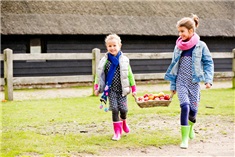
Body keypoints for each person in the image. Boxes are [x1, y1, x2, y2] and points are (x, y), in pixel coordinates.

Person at [164, 14, 214, 149]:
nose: (180, 34)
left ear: (191, 31)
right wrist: (172, 85)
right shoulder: (178, 46)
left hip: (194, 83)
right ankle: (184, 138)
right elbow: (174, 67)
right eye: (179, 31)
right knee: (184, 107)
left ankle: (191, 127)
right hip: (181, 82)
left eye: (182, 31)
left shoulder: (201, 46)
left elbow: (208, 63)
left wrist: (208, 80)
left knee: (193, 111)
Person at [94, 34, 137, 141]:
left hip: (122, 89)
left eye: (114, 45)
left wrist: (133, 88)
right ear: (107, 47)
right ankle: (117, 132)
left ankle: (124, 122)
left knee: (124, 109)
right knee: (114, 109)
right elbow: (98, 74)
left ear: (119, 45)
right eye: (110, 46)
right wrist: (96, 87)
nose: (112, 48)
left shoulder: (124, 60)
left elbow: (130, 74)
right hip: (111, 89)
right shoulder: (105, 61)